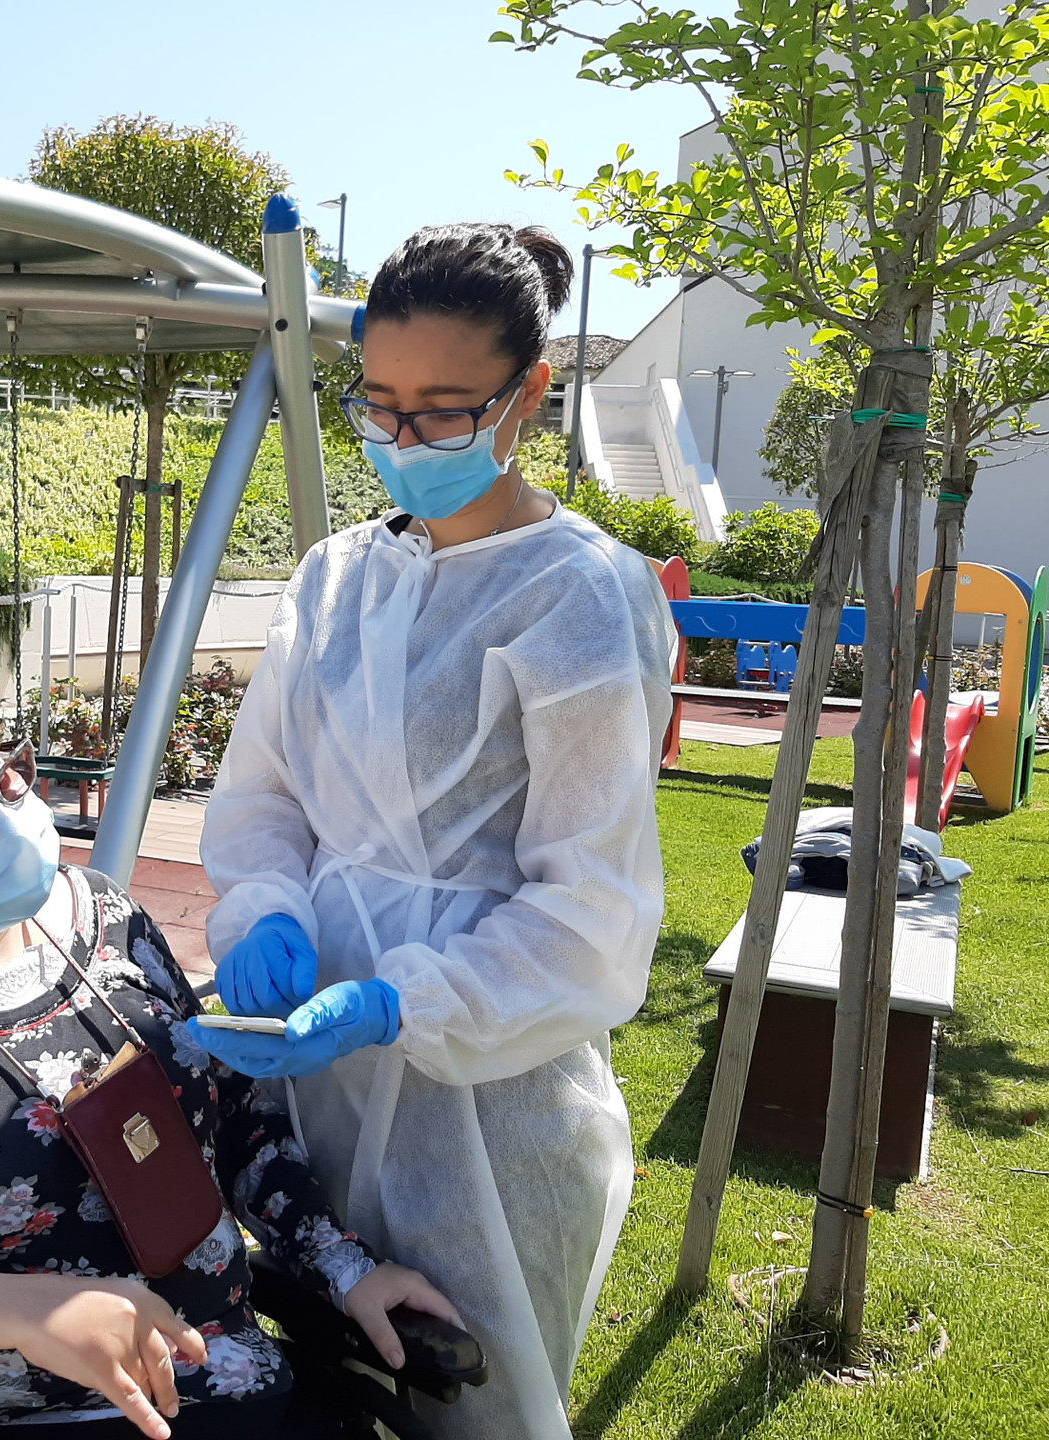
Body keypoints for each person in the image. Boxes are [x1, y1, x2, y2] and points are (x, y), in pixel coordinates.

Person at [186, 223, 678, 1438]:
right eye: (382, 406)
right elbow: (267, 796)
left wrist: (407, 1003)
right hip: (320, 1084)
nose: (403, 443)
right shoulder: (336, 576)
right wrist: (265, 908)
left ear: (531, 396)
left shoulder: (581, 596)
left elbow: (593, 910)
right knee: (322, 1363)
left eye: (446, 412)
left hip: (493, 1109)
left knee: (476, 1397)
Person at [0, 679, 461, 1440]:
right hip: (22, 1419)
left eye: (7, 777)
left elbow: (234, 1121)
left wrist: (346, 1269)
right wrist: (15, 1310)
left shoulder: (107, 916)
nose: (12, 817)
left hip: (228, 1386)